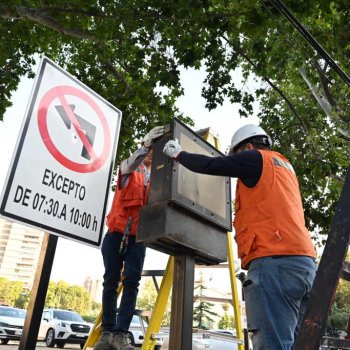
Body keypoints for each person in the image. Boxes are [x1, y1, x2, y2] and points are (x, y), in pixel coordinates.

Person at [163, 124, 317, 350]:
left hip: (274, 262)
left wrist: (179, 154)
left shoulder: (254, 158)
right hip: (306, 265)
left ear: (247, 147)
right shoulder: (284, 165)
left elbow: (212, 164)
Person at [94, 126, 164, 350]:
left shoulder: (158, 180)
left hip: (138, 239)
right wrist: (144, 147)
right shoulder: (128, 168)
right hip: (115, 235)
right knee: (110, 282)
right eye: (150, 147)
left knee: (132, 282)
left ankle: (120, 334)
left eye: (155, 149)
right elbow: (129, 166)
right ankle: (107, 332)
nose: (153, 152)